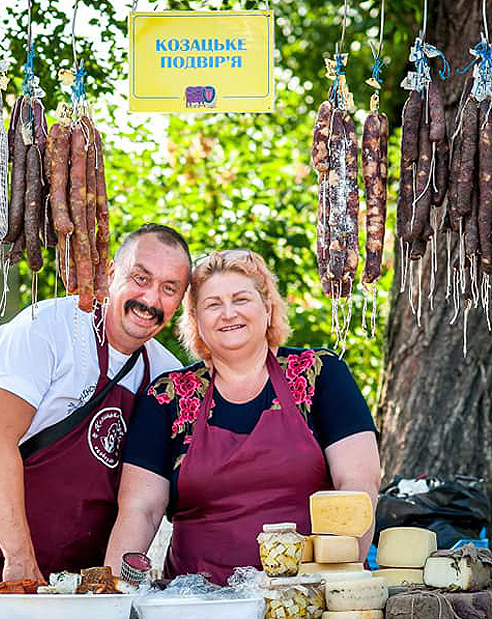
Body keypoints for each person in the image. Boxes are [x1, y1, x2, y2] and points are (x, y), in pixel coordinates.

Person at [105, 249, 381, 585]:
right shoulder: (167, 397)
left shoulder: (320, 375)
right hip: (197, 604)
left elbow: (358, 487)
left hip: (305, 596)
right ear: (196, 320)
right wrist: (114, 596)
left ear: (267, 308)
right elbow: (140, 511)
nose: (228, 313)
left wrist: (338, 586)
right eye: (213, 304)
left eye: (241, 299)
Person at [0, 224, 192, 585]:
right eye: (140, 278)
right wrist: (20, 561)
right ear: (110, 273)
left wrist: (110, 585)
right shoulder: (47, 329)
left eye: (169, 289)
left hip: (78, 579)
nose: (151, 299)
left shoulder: (165, 375)